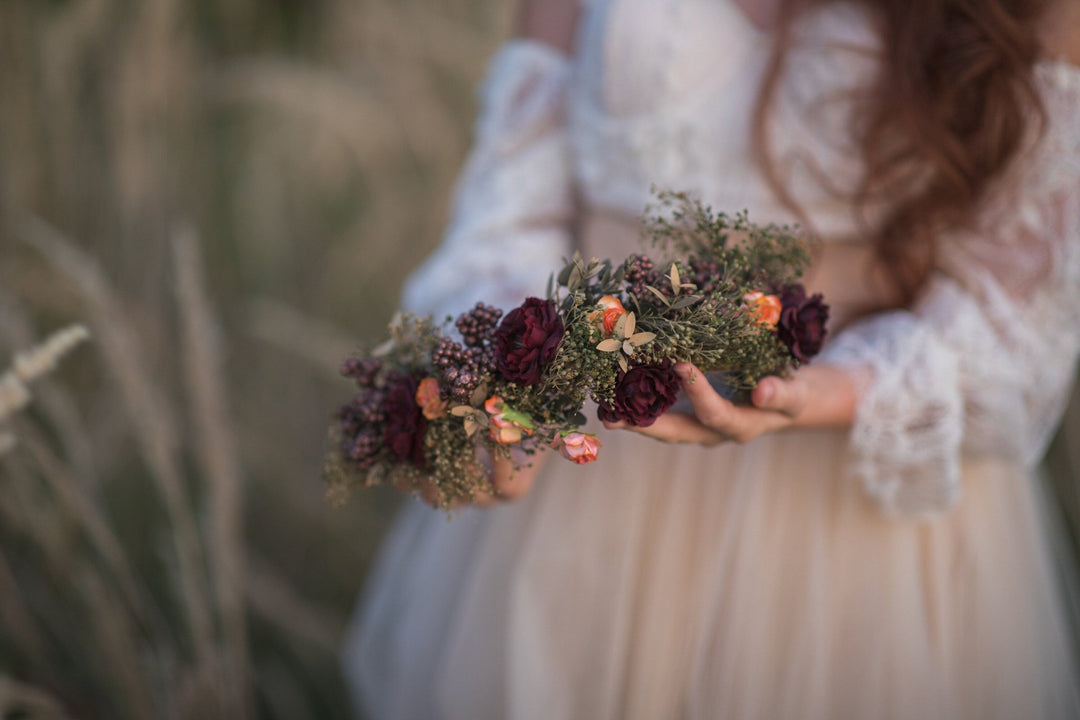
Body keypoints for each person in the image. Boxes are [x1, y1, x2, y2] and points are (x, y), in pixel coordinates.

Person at [343, 0, 1080, 717]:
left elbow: (1016, 308)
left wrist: (835, 388)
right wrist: (500, 374)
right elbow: (513, 202)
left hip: (852, 529)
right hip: (589, 488)